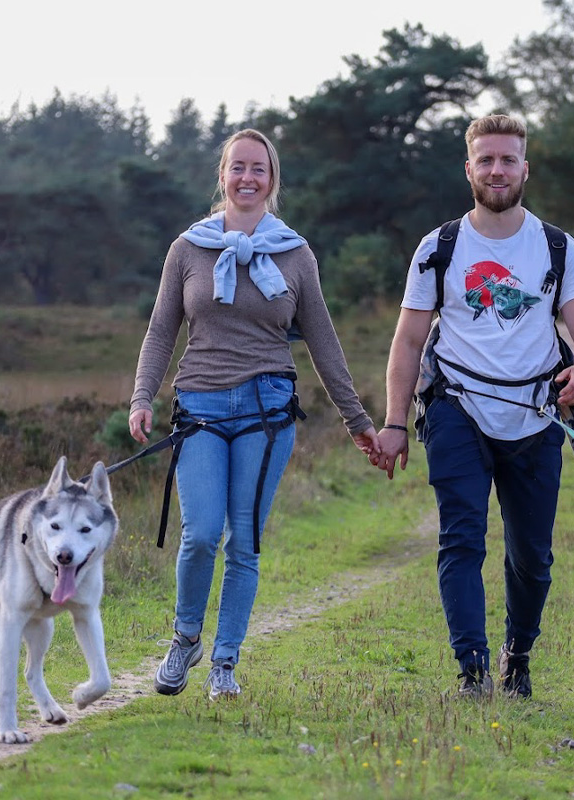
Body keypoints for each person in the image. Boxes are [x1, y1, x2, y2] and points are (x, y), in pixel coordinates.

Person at [129, 128, 380, 700]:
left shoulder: (295, 252)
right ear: (222, 175)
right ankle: (186, 636)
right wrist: (142, 397)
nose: (247, 178)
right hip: (200, 406)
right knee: (199, 534)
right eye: (237, 167)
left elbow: (323, 342)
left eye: (258, 169)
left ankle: (225, 661)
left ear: (272, 180)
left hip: (268, 409)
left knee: (243, 539)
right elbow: (161, 328)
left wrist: (358, 421)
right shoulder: (187, 248)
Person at [372, 114, 574, 700]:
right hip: (456, 409)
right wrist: (396, 422)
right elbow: (407, 340)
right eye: (486, 160)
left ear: (525, 168)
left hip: (536, 416)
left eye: (508, 160)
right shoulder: (440, 247)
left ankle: (516, 655)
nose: (497, 170)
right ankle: (472, 670)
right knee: (462, 539)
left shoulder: (557, 246)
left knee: (533, 557)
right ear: (469, 168)